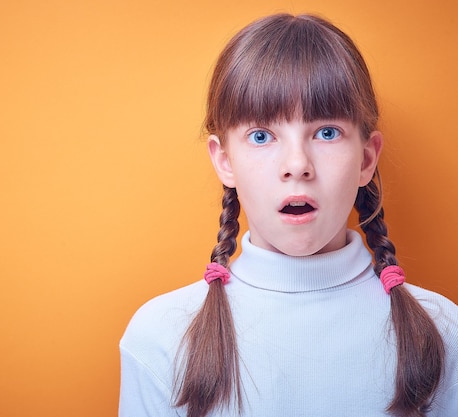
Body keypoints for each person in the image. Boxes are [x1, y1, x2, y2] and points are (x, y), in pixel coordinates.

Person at [118, 13, 458, 417]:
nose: (297, 164)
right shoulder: (160, 338)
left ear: (366, 159)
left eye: (326, 132)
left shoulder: (443, 334)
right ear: (225, 161)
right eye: (261, 136)